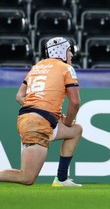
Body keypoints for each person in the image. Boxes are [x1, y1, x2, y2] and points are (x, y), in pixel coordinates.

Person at [0, 37, 83, 187]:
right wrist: (67, 121)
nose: (71, 54)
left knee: (76, 130)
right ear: (62, 51)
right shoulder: (66, 68)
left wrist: (38, 106)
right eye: (69, 50)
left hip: (31, 119)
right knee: (26, 177)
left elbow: (19, 96)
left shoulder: (37, 66)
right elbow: (75, 102)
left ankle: (62, 179)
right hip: (38, 124)